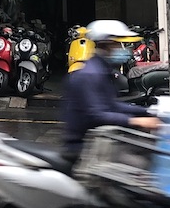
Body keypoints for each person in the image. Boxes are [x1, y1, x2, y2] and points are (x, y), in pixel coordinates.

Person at [62, 19, 161, 161]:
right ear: (106, 45)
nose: (123, 49)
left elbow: (111, 105)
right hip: (82, 149)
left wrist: (149, 111)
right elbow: (97, 115)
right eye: (118, 44)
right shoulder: (91, 74)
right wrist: (137, 121)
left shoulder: (102, 70)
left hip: (99, 142)